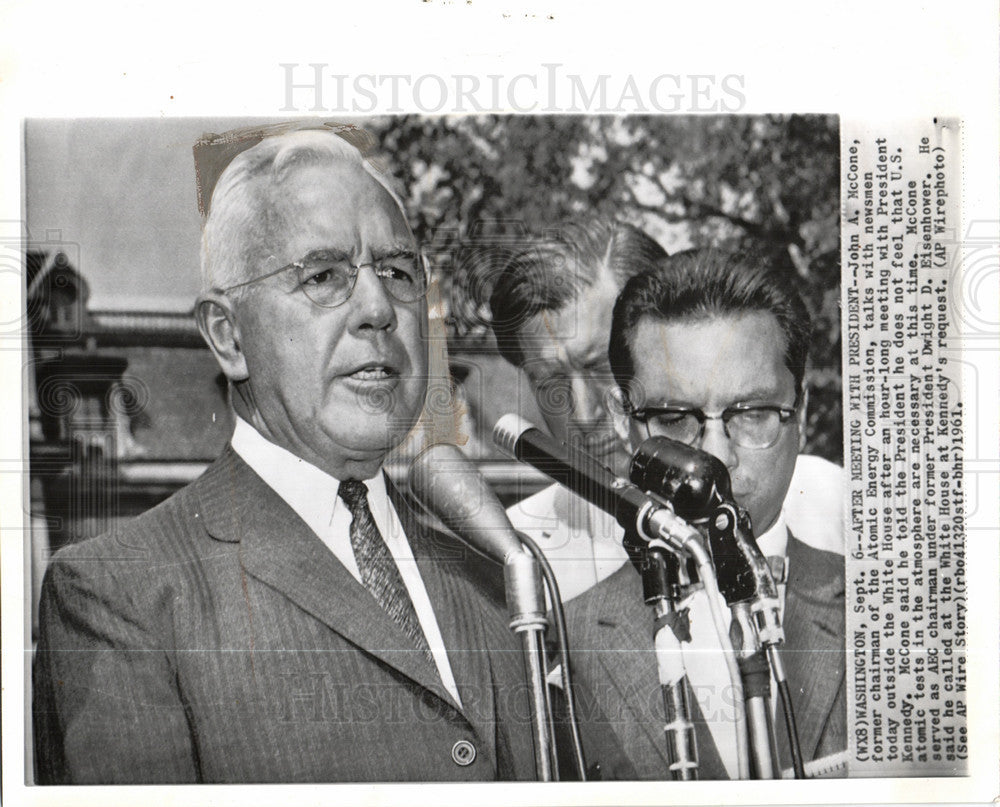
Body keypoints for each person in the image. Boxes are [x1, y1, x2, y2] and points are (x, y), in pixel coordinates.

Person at [32, 130, 535, 783]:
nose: (379, 307)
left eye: (398, 270)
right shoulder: (122, 596)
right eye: (324, 274)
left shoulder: (495, 576)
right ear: (227, 334)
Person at [565, 248, 846, 779]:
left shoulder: (894, 614)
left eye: (752, 413)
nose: (716, 456)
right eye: (674, 418)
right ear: (624, 423)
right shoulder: (563, 646)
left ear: (801, 416)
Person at [487, 219, 842, 602]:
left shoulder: (829, 503)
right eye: (550, 382)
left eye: (604, 366)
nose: (586, 413)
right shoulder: (514, 550)